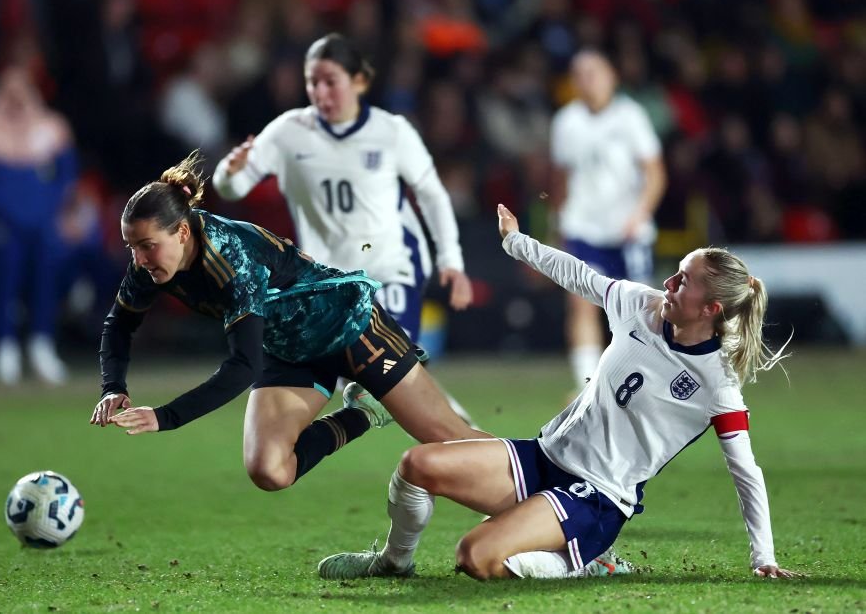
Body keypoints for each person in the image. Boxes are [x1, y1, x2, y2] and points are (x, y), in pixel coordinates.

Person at [317, 203, 796, 581]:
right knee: (416, 465)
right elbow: (581, 277)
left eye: (683, 281)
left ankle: (584, 562)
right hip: (543, 458)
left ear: (710, 308)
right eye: (676, 272)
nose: (668, 283)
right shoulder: (641, 305)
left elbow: (746, 472)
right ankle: (393, 564)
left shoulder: (718, 383)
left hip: (597, 497)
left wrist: (763, 557)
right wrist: (518, 243)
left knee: (475, 557)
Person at [90, 154, 489, 493]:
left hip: (347, 326)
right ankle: (364, 413)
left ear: (180, 231)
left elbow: (242, 367)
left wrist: (165, 417)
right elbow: (119, 324)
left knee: (450, 439)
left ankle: (543, 485)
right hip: (289, 347)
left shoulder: (231, 259)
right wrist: (113, 387)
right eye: (132, 247)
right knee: (270, 469)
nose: (139, 259)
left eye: (146, 246)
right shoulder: (151, 263)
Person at [213, 33, 476, 425]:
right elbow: (232, 187)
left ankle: (461, 457)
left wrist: (451, 260)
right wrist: (228, 171)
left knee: (383, 377)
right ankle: (468, 440)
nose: (320, 91)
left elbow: (433, 195)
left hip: (393, 269)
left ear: (358, 81)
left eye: (330, 80)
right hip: (330, 284)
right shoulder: (289, 132)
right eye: (312, 81)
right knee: (389, 383)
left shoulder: (392, 132)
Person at [549, 48, 667, 391]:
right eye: (581, 75)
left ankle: (646, 379)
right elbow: (560, 179)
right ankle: (588, 383)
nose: (588, 81)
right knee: (581, 305)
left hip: (626, 230)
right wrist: (558, 222)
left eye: (594, 73)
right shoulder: (566, 122)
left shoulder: (630, 117)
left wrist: (640, 213)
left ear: (612, 77)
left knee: (640, 311)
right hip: (583, 227)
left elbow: (655, 173)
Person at [0, 65, 78, 385]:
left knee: (46, 278)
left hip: (42, 223)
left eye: (21, 90)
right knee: (6, 277)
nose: (15, 99)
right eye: (9, 90)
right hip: (4, 225)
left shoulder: (50, 128)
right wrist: (9, 209)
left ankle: (42, 344)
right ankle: (6, 347)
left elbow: (65, 178)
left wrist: (50, 210)